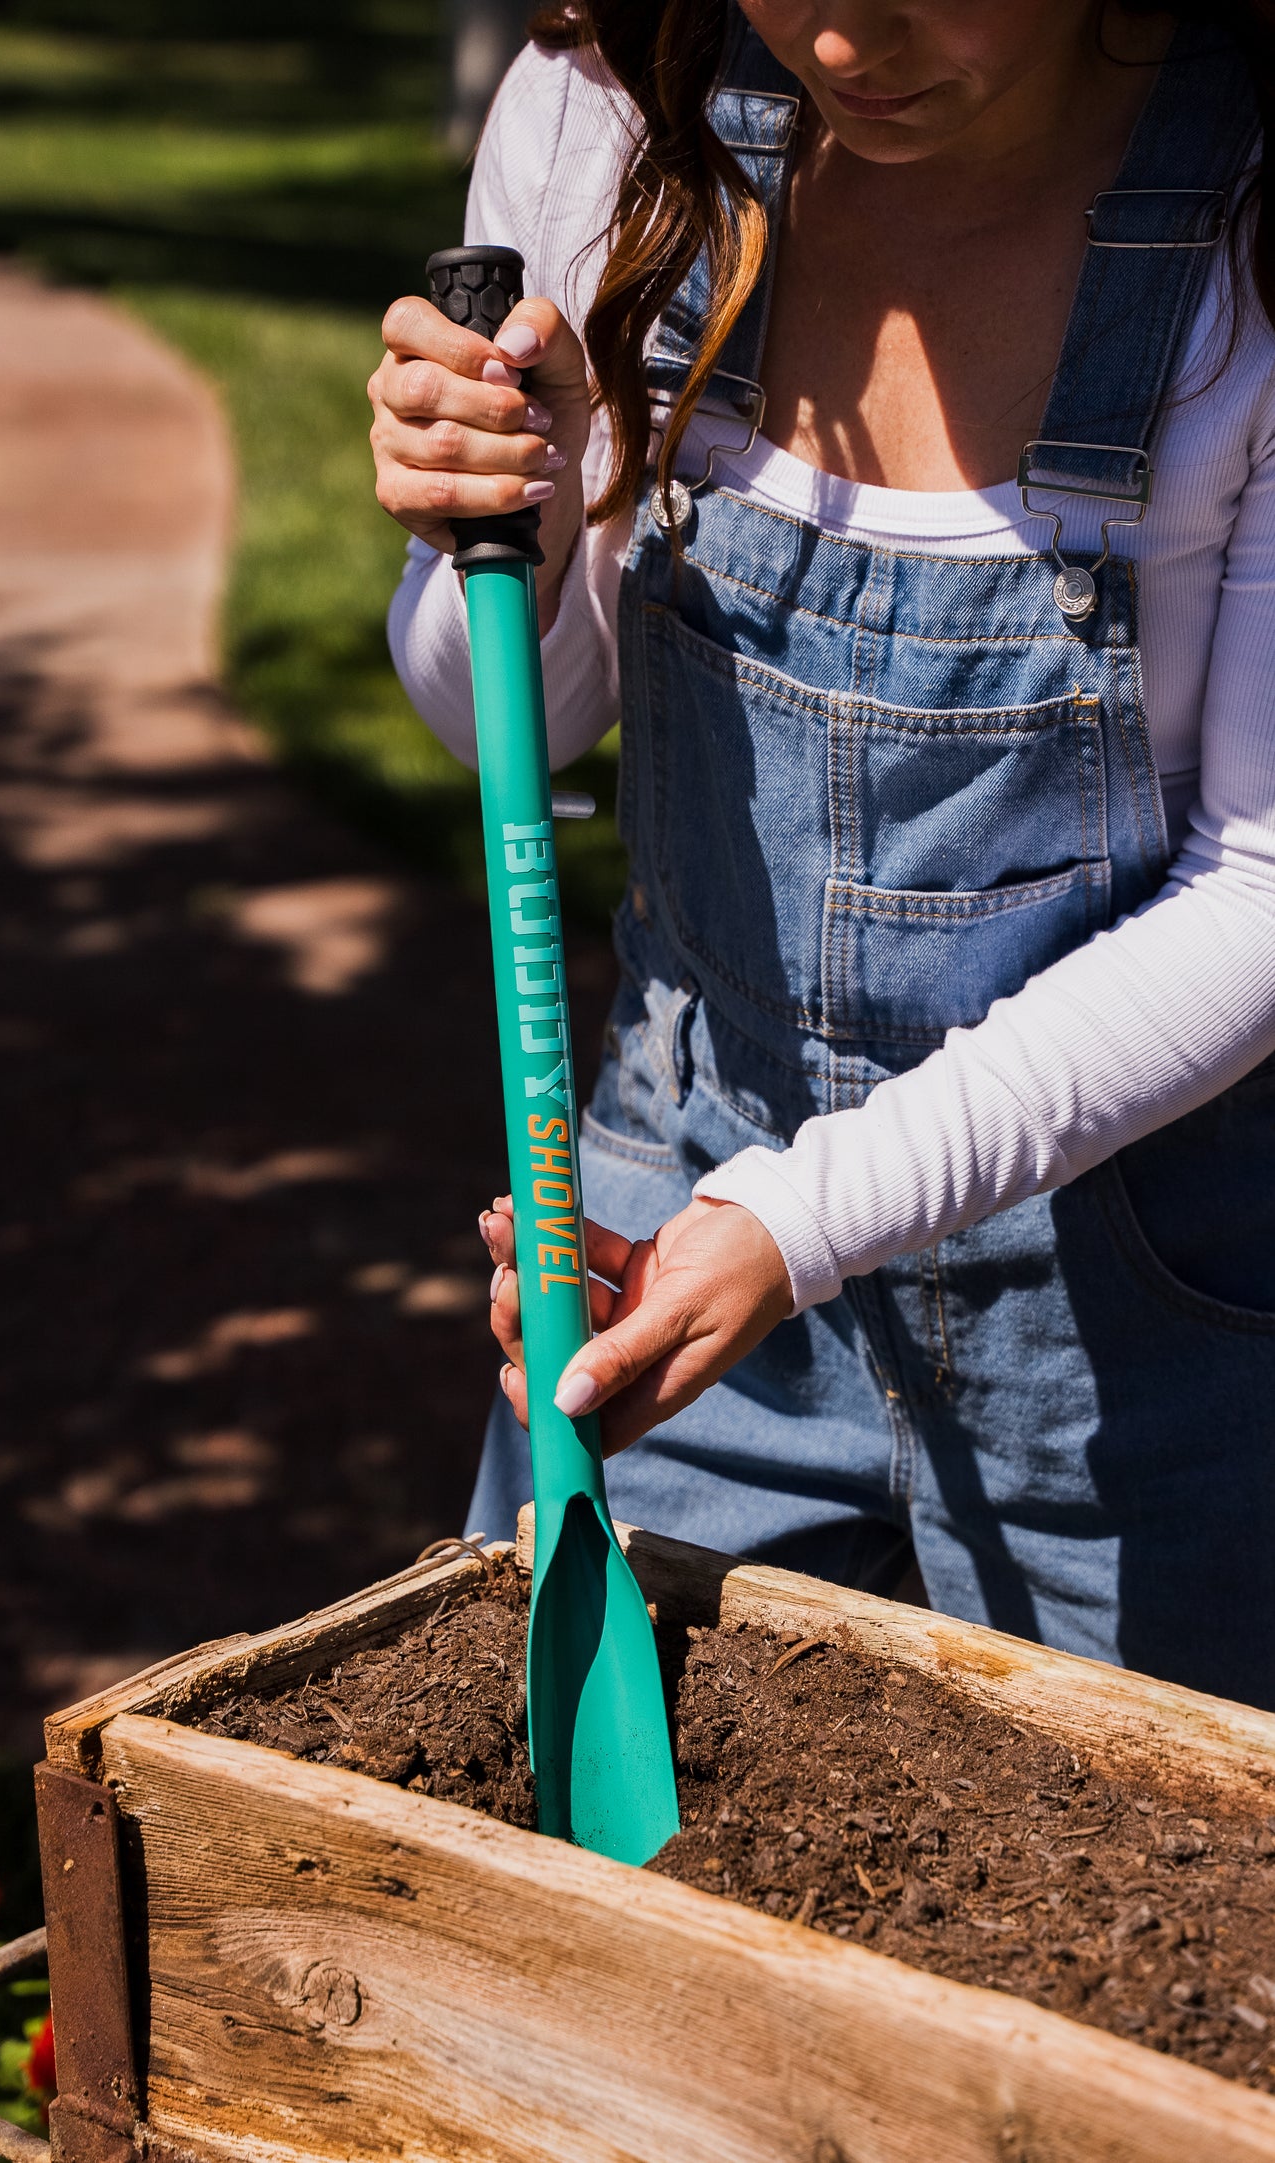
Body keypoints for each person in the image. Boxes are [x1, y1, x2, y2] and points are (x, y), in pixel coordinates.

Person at [368, 0, 1275, 1709]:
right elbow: (516, 723)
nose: (845, 41)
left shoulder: (1249, 223)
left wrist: (800, 1220)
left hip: (1159, 1322)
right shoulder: (607, 116)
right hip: (664, 1218)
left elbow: (1262, 890)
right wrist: (518, 527)